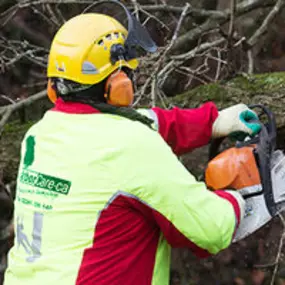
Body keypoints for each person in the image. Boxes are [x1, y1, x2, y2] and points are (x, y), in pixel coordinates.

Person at [4, 11, 261, 285]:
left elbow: (144, 122)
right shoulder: (131, 144)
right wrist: (239, 198)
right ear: (118, 83)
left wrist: (213, 122)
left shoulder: (41, 135)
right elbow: (211, 228)